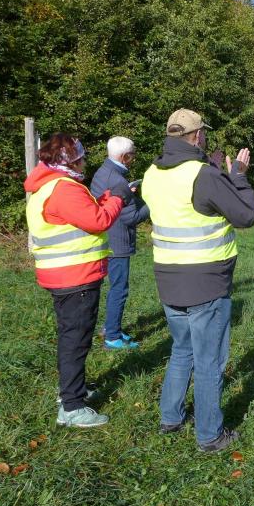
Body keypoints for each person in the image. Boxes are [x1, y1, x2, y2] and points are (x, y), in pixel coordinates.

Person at [141, 108, 254, 452]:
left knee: (181, 350)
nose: (204, 136)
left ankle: (171, 417)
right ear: (196, 136)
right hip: (206, 281)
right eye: (202, 132)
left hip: (168, 277)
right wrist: (237, 176)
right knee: (209, 361)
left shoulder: (152, 173)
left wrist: (215, 172)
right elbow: (245, 215)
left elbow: (187, 205)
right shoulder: (203, 175)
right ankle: (209, 435)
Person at [25, 133, 132, 427]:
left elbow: (86, 213)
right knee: (76, 339)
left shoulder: (50, 185)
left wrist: (105, 199)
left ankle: (73, 390)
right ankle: (72, 406)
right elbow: (98, 220)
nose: (84, 162)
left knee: (71, 336)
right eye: (80, 157)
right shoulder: (64, 188)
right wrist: (118, 198)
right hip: (75, 275)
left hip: (64, 274)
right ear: (70, 161)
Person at [91, 136, 150, 350]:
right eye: (132, 155)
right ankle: (113, 337)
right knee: (119, 289)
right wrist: (152, 204)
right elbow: (130, 217)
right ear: (125, 157)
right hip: (117, 242)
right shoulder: (118, 180)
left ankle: (110, 327)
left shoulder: (103, 171)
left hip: (106, 238)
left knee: (114, 286)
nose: (134, 159)